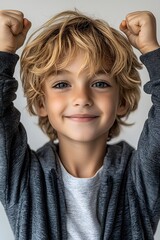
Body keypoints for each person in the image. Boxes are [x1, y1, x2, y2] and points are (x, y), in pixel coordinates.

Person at [0, 9, 160, 240]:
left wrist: (151, 50)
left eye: (100, 83)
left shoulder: (140, 178)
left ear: (122, 100)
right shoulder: (22, 179)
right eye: (62, 84)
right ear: (41, 102)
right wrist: (4, 52)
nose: (82, 98)